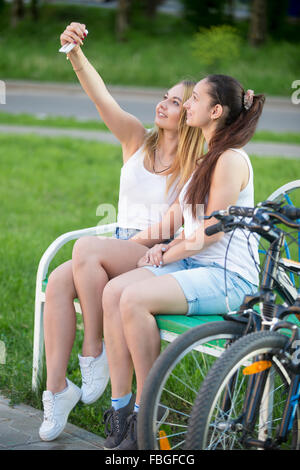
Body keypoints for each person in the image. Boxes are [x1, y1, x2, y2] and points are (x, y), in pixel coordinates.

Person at [39, 22, 204, 442]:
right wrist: (74, 53)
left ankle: (94, 350)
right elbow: (100, 96)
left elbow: (172, 224)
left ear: (191, 114)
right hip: (116, 246)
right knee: (59, 282)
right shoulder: (136, 138)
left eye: (174, 101)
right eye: (163, 97)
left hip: (153, 252)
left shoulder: (196, 165)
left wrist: (124, 247)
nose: (162, 104)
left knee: (85, 249)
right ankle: (58, 390)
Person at [101, 74, 265, 449]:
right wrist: (158, 245)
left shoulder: (230, 159)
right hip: (195, 267)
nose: (188, 105)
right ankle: (121, 408)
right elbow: (183, 215)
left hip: (228, 278)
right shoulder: (207, 155)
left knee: (134, 298)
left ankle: (147, 410)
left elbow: (212, 230)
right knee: (113, 292)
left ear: (216, 110)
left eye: (195, 100)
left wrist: (165, 252)